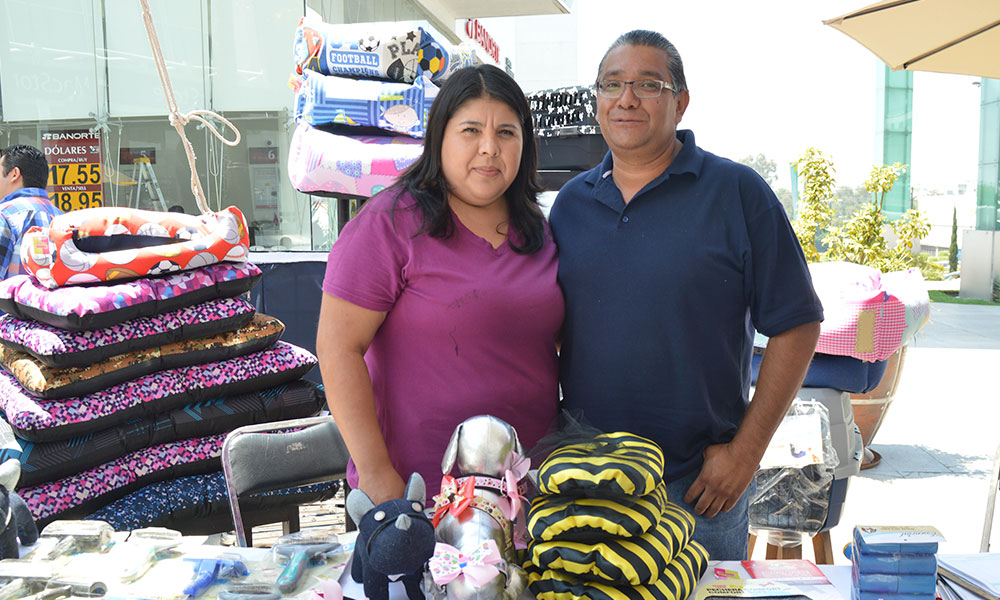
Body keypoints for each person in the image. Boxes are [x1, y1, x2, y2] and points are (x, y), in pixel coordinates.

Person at [549, 30, 824, 561]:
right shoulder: (570, 205)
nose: (626, 98)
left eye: (648, 84)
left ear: (681, 101)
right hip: (584, 489)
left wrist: (746, 455)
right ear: (597, 101)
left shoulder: (738, 193)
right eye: (613, 84)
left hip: (698, 492)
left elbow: (797, 324)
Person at [316, 65, 563, 505]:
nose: (490, 148)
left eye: (507, 133)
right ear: (439, 136)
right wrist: (376, 473)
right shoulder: (389, 223)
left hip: (531, 494)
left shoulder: (539, 231)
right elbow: (337, 348)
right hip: (420, 494)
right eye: (471, 130)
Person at [0, 145, 63, 281]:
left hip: (14, 302)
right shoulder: (62, 218)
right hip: (53, 302)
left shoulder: (4, 215)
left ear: (14, 174)